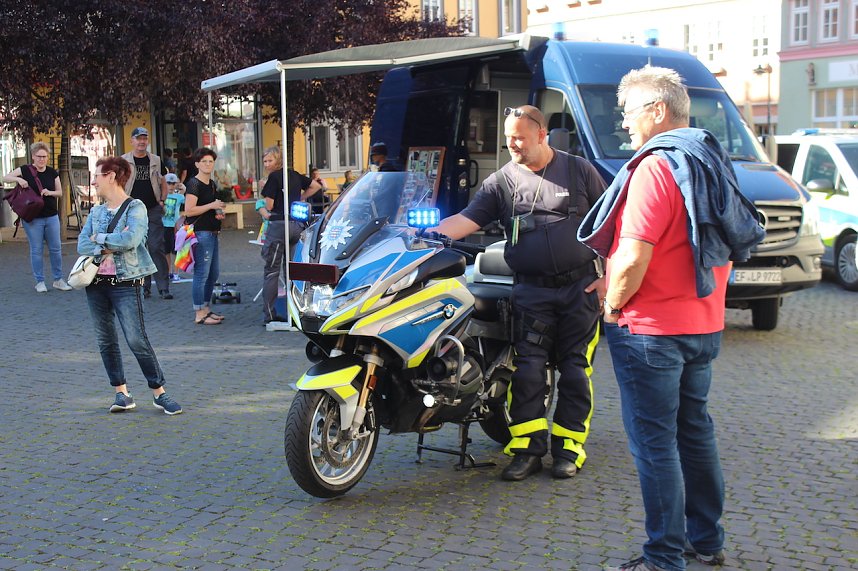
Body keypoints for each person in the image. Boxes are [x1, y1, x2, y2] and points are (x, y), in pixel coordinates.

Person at [578, 67, 764, 571]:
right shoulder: (708, 159)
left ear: (657, 111)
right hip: (701, 322)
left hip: (650, 329)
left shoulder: (654, 168)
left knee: (654, 442)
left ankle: (663, 557)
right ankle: (707, 540)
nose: (623, 123)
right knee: (695, 431)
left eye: (628, 111)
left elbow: (636, 255)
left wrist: (614, 303)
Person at [432, 105, 607, 481]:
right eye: (509, 138)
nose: (513, 144)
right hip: (530, 291)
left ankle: (568, 449)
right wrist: (429, 236)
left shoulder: (579, 170)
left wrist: (608, 275)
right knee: (527, 371)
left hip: (580, 289)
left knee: (575, 370)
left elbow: (613, 222)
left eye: (520, 138)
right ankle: (526, 449)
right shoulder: (502, 181)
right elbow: (467, 219)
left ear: (542, 134)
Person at [78, 156, 182, 415]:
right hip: (96, 282)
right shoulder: (97, 211)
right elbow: (81, 244)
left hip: (126, 281)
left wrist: (99, 238)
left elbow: (131, 239)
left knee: (136, 338)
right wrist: (109, 241)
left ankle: (159, 393)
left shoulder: (136, 208)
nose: (94, 181)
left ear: (111, 176)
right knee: (106, 341)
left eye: (98, 176)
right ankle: (121, 393)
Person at [258, 146, 321, 324]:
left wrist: (262, 206)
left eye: (270, 160)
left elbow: (269, 206)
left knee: (271, 271)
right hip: (296, 225)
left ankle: (269, 315)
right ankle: (295, 313)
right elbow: (315, 186)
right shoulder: (293, 174)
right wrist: (299, 199)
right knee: (292, 271)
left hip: (278, 225)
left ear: (278, 160)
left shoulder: (274, 177)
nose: (267, 164)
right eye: (265, 161)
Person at [3, 142, 73, 292]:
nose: (42, 159)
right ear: (33, 156)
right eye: (39, 156)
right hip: (33, 218)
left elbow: (60, 192)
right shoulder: (25, 170)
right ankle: (39, 281)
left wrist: (49, 192)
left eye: (45, 157)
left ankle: (58, 279)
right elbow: (5, 177)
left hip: (51, 216)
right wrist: (19, 179)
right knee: (36, 249)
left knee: (56, 249)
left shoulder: (52, 172)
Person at [121, 127, 172, 300]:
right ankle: (144, 286)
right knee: (137, 247)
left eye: (144, 138)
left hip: (152, 209)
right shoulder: (123, 161)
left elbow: (163, 181)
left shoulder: (156, 160)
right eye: (138, 138)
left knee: (156, 246)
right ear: (132, 141)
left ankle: (163, 286)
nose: (142, 142)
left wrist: (162, 200)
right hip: (132, 210)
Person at [183, 147, 226, 325]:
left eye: (210, 161)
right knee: (202, 272)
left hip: (212, 231)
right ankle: (199, 311)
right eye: (204, 162)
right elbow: (189, 210)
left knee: (213, 273)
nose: (208, 164)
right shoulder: (194, 184)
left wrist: (217, 211)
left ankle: (206, 308)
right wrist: (211, 205)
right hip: (201, 232)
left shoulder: (212, 183)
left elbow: (210, 205)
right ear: (197, 164)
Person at [162, 173, 186, 281]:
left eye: (173, 183)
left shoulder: (179, 197)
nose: (171, 186)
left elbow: (186, 198)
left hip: (175, 227)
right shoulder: (161, 196)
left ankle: (176, 272)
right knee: (166, 251)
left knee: (176, 250)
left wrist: (183, 188)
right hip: (164, 226)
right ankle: (168, 272)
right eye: (168, 183)